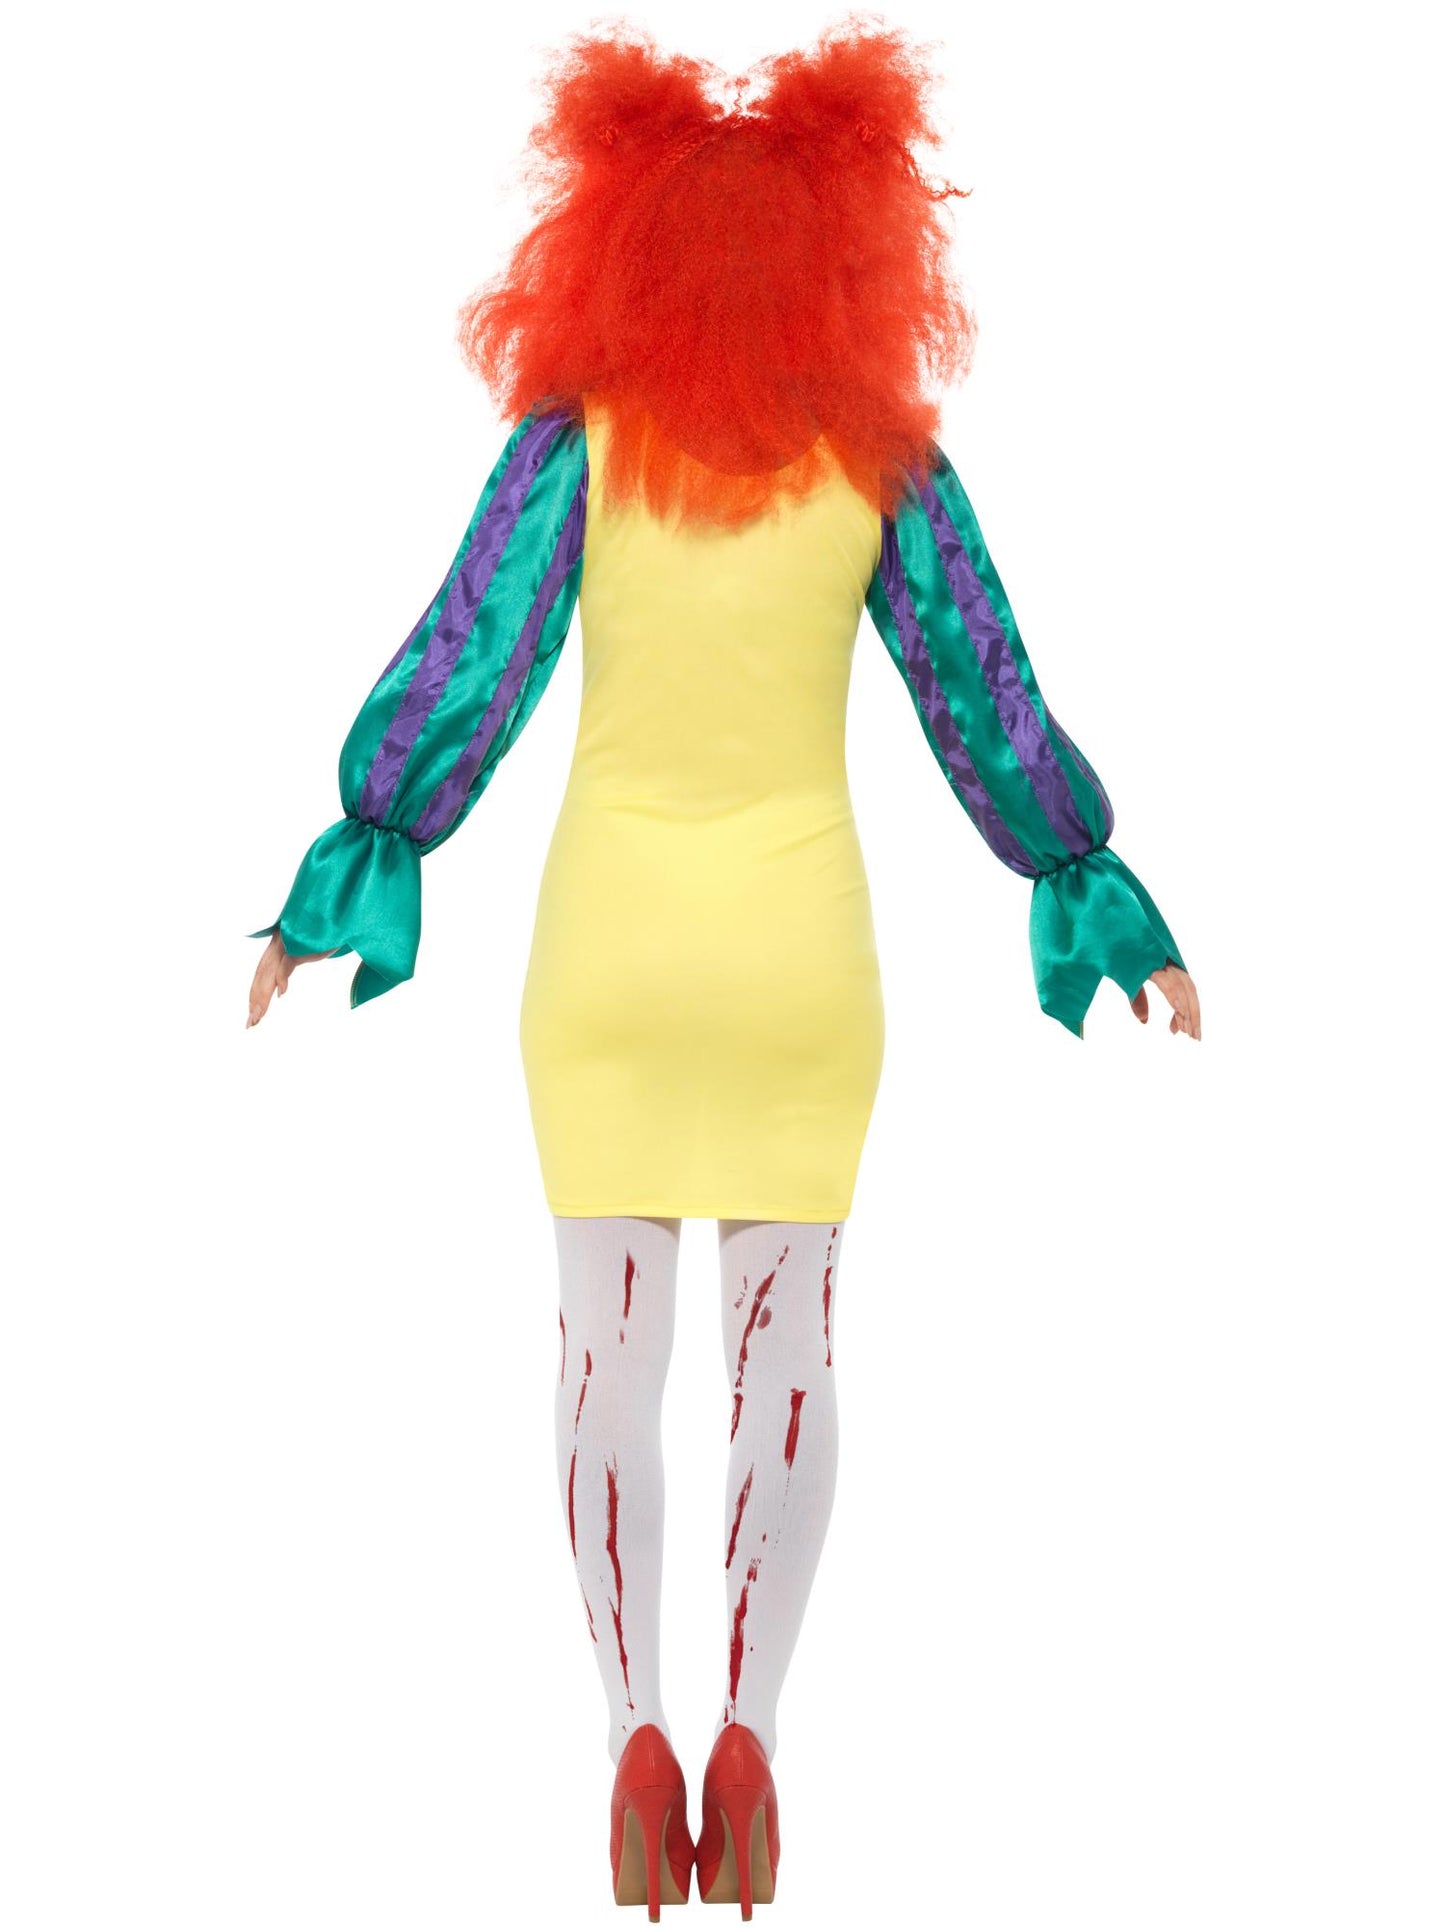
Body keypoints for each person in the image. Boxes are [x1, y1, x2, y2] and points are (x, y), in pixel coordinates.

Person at [245, 20, 1201, 1919]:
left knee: (603, 1353)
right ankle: (752, 1722)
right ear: (854, 263)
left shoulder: (570, 450)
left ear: (617, 247)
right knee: (789, 1345)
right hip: (798, 968)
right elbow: (988, 710)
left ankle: (631, 1728)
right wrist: (1095, 887)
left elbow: (463, 667)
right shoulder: (885, 471)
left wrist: (343, 869)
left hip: (605, 958)